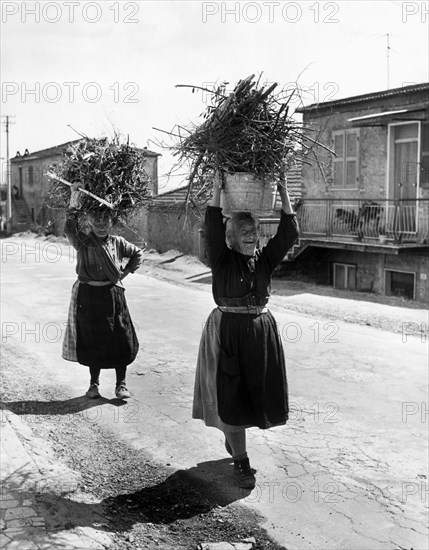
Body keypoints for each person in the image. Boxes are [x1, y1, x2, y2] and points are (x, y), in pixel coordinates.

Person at [192, 173, 299, 489]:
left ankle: (233, 438)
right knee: (232, 393)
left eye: (254, 231)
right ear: (231, 238)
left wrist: (282, 191)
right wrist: (216, 189)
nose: (252, 235)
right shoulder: (222, 261)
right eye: (244, 232)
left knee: (255, 394)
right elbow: (213, 224)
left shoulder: (264, 261)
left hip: (261, 335)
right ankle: (241, 462)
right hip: (229, 333)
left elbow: (289, 233)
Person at [62, 183, 143, 400]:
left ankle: (121, 384)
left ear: (111, 222)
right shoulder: (83, 242)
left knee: (121, 337)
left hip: (113, 295)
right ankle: (94, 385)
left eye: (105, 221)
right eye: (96, 221)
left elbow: (138, 254)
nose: (100, 225)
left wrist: (123, 275)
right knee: (92, 338)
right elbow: (69, 229)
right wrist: (74, 199)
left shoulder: (118, 243)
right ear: (89, 222)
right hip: (88, 297)